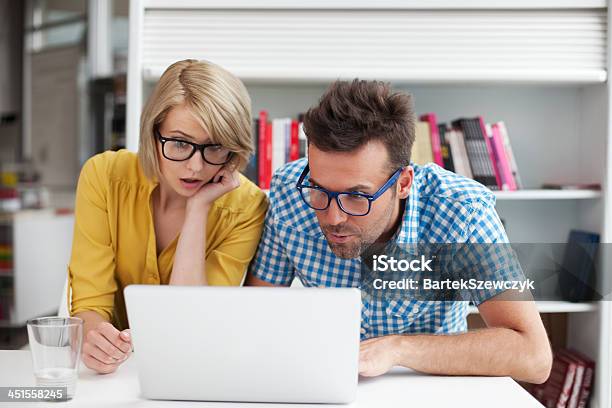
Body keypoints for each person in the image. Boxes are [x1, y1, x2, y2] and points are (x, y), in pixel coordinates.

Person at [246, 79, 552, 383]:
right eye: (319, 189)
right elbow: (254, 316)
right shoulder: (289, 192)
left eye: (357, 196)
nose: (333, 216)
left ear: (403, 183)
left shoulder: (462, 211)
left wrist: (398, 349)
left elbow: (534, 356)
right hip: (322, 382)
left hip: (429, 387)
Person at [69, 59, 268, 374]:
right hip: (117, 374)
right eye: (178, 143)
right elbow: (89, 303)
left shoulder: (247, 206)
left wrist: (198, 209)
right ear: (153, 132)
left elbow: (192, 321)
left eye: (214, 148)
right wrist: (94, 339)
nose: (195, 167)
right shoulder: (104, 176)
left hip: (193, 370)